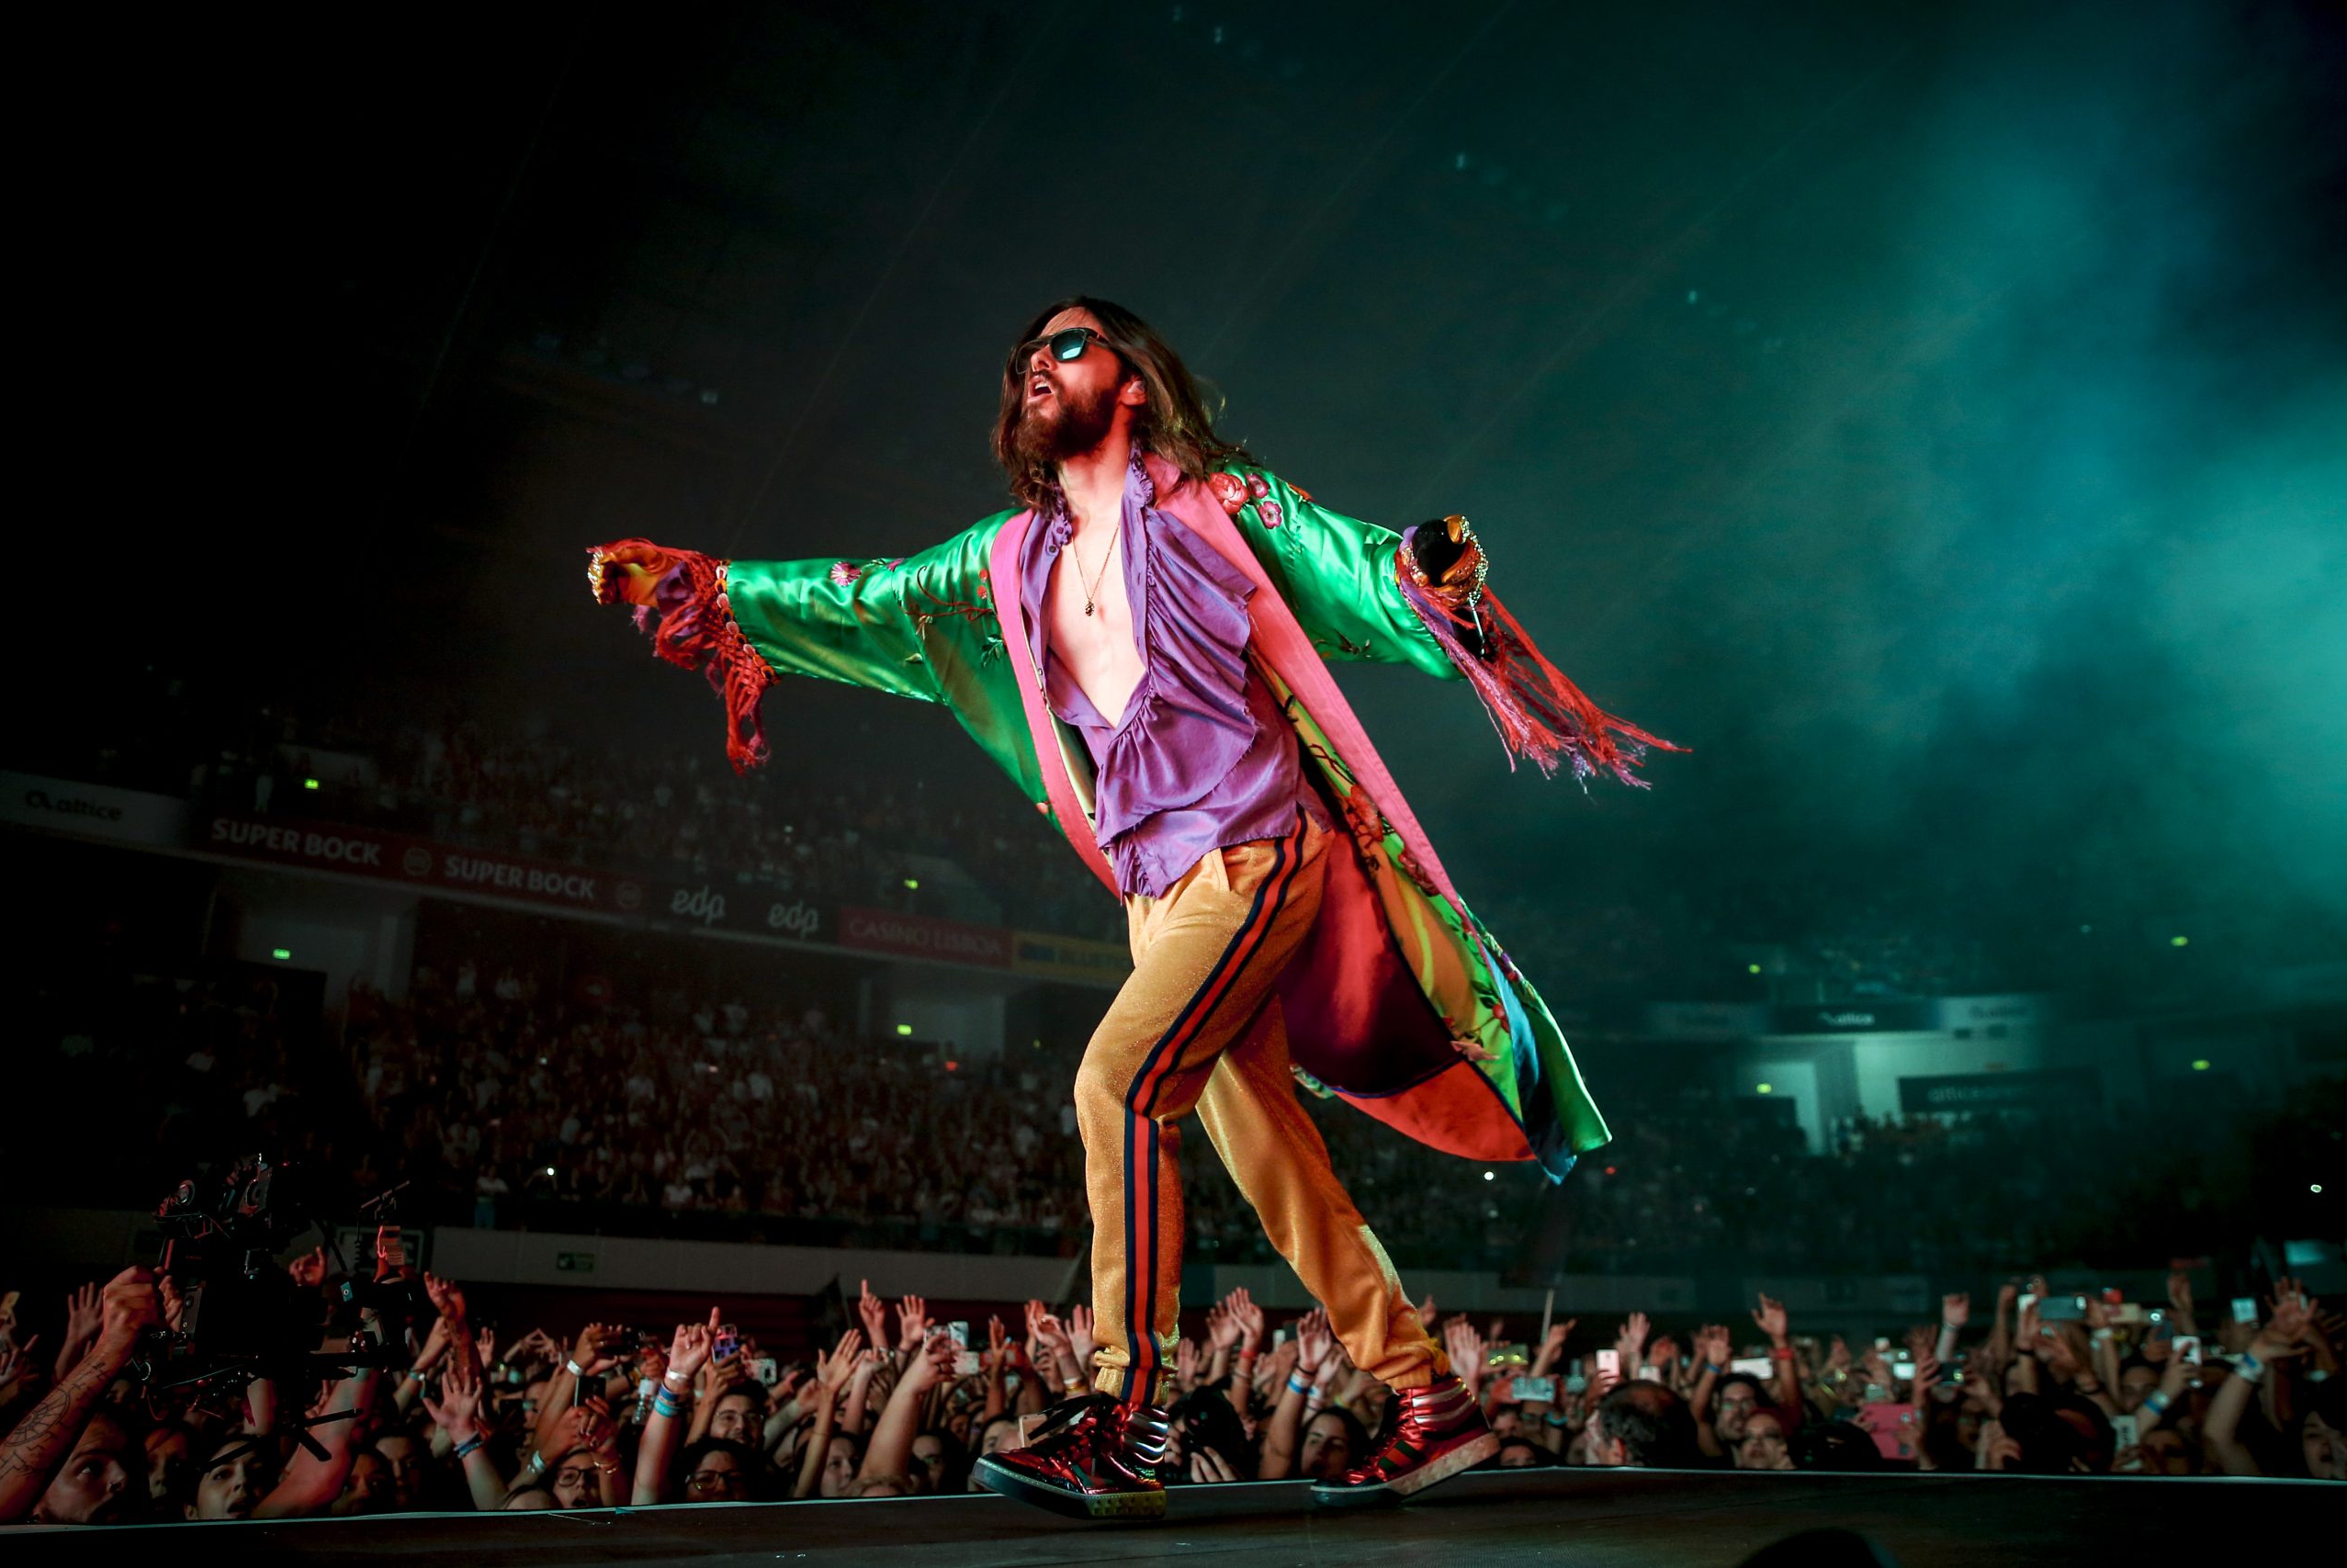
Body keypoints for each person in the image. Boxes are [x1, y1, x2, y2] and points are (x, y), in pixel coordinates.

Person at [590, 298, 1676, 1517]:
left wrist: (1430, 575)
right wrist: (714, 587)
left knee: (1117, 1084)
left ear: (1137, 384)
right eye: (1023, 359)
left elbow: (1354, 567)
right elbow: (873, 596)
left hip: (1259, 854)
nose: (1033, 367)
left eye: (1064, 345)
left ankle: (1130, 1416)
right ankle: (1428, 1396)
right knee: (1271, 1161)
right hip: (1156, 895)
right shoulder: (1006, 561)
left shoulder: (1225, 509)